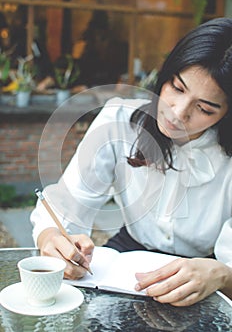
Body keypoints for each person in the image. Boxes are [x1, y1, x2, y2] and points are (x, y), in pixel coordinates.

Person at [30, 17, 232, 307]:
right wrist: (52, 237)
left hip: (203, 269)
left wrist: (223, 274)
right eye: (176, 88)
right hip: (129, 255)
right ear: (164, 76)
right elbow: (67, 205)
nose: (178, 113)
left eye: (204, 108)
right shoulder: (118, 121)